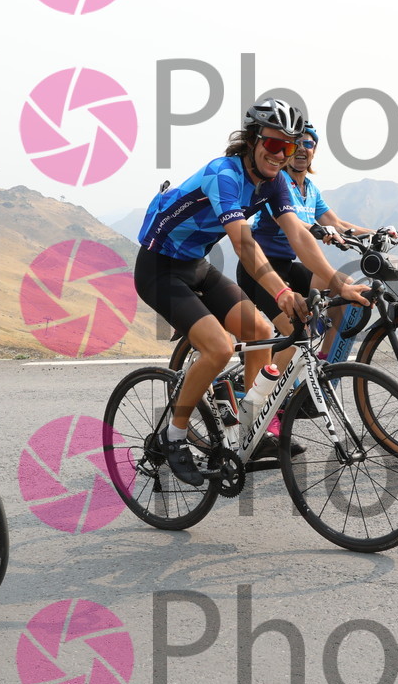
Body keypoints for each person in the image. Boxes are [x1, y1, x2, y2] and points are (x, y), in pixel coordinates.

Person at [135, 99, 370, 485]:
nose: (281, 155)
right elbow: (244, 244)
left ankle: (250, 429)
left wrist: (338, 282)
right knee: (219, 348)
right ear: (252, 140)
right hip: (159, 269)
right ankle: (173, 436)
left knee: (260, 332)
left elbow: (298, 236)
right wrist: (281, 293)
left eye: (289, 147)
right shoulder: (224, 174)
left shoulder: (275, 183)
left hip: (195, 265)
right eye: (274, 144)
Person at [235, 123, 388, 362]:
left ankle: (325, 360)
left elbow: (337, 223)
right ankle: (271, 383)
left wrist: (376, 233)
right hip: (260, 269)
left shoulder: (311, 189)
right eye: (296, 143)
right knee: (297, 336)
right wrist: (317, 229)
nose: (301, 148)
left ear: (314, 151)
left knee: (346, 287)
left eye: (308, 143)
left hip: (288, 265)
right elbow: (290, 223)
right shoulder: (277, 183)